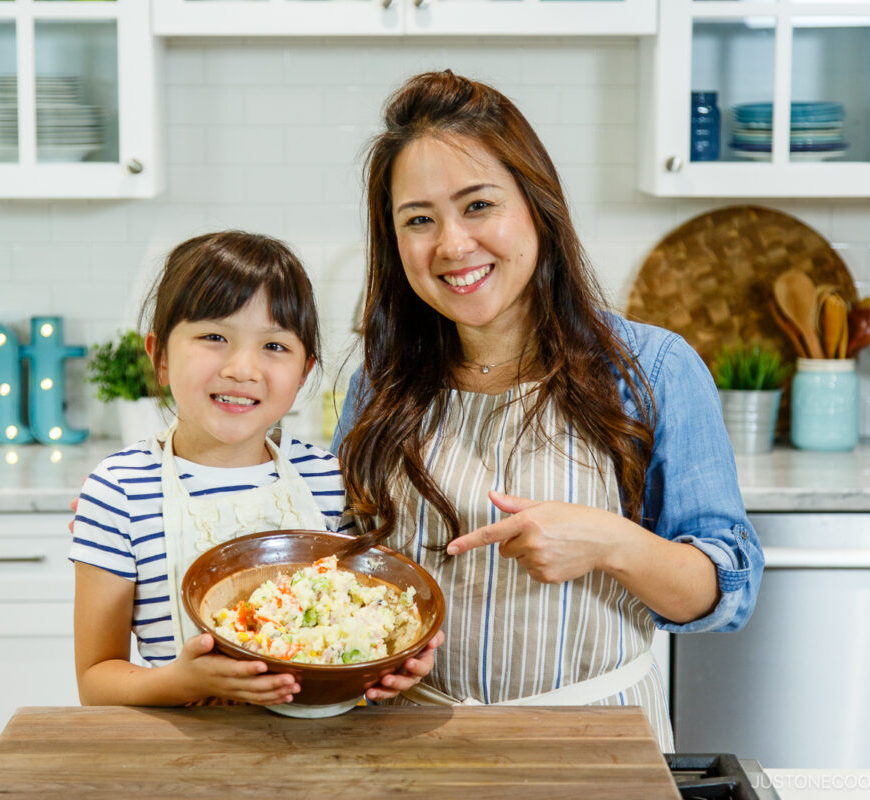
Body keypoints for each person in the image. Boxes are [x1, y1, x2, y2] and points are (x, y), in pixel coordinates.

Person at [331, 71, 764, 749]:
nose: (451, 244)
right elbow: (344, 571)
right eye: (419, 219)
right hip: (409, 745)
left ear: (536, 205)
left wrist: (609, 543)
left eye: (478, 205)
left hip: (597, 743)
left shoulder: (652, 370)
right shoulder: (380, 385)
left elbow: (725, 596)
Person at [70, 230, 440, 707]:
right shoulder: (119, 490)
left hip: (324, 751)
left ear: (304, 372)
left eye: (274, 346)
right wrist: (184, 682)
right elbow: (96, 682)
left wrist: (393, 661)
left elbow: (361, 614)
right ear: (159, 356)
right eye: (214, 337)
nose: (243, 368)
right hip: (188, 758)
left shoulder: (328, 479)